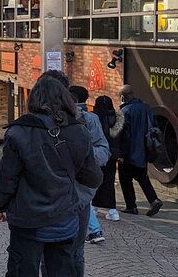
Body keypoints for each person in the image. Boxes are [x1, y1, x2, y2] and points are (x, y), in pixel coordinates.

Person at [0, 76, 103, 277]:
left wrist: (1, 205)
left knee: (23, 269)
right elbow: (93, 178)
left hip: (27, 219)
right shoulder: (79, 131)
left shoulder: (19, 131)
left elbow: (7, 178)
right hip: (64, 217)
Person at [68, 85, 110, 254]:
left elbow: (103, 151)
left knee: (74, 251)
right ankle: (95, 230)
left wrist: (83, 155)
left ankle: (95, 230)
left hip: (82, 183)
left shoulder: (90, 119)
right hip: (71, 186)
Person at [118, 85, 163, 217]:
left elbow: (123, 136)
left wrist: (121, 154)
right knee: (142, 178)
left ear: (123, 97)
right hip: (143, 151)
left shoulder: (124, 112)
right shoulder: (147, 108)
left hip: (129, 152)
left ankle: (131, 206)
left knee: (125, 180)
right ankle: (154, 200)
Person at [92, 96, 125, 222]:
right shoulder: (119, 118)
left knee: (94, 180)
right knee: (109, 181)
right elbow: (123, 139)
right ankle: (112, 211)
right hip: (112, 155)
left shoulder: (93, 118)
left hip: (96, 154)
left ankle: (93, 208)